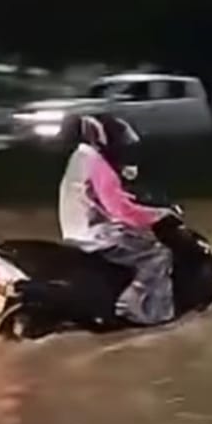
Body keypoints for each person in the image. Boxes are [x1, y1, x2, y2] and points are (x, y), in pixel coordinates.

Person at [57, 114, 175, 325]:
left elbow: (100, 197)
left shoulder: (81, 158)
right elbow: (121, 210)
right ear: (103, 138)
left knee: (134, 238)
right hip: (96, 235)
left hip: (77, 231)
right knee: (158, 254)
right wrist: (158, 214)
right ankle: (136, 304)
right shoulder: (96, 163)